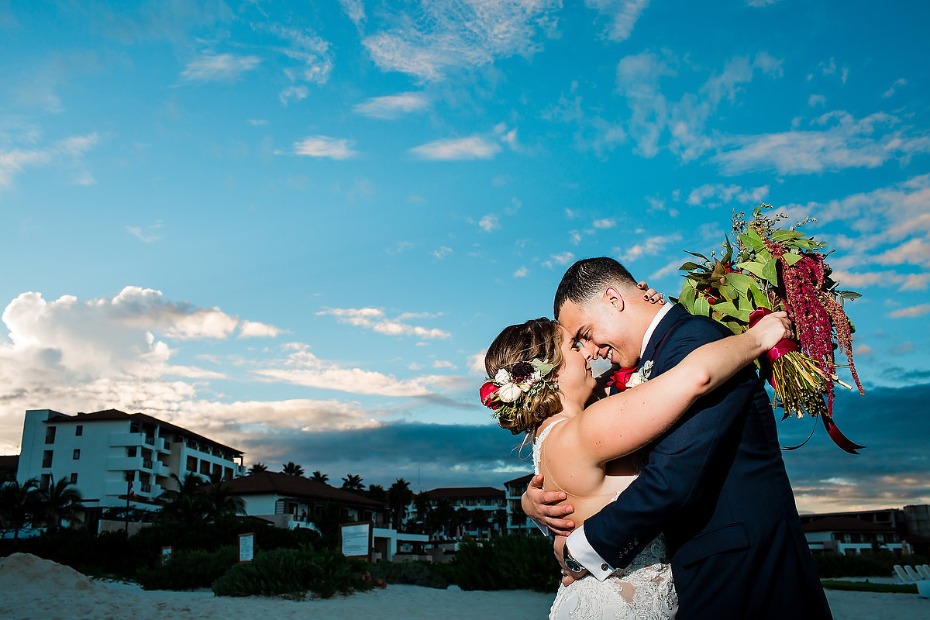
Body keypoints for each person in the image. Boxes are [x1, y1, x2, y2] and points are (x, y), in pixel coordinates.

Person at [524, 257, 831, 619]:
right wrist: (534, 504)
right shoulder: (649, 361)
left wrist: (583, 549)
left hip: (745, 574)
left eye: (585, 334)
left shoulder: (696, 340)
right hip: (707, 576)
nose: (590, 351)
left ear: (612, 299)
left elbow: (674, 477)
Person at [483, 307, 794, 619]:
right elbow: (697, 376)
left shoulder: (549, 439)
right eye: (574, 347)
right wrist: (757, 337)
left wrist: (526, 503)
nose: (590, 353)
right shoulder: (585, 430)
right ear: (551, 372)